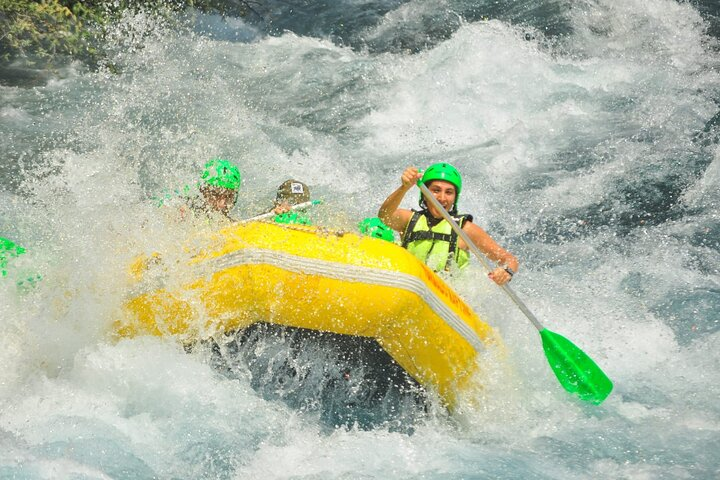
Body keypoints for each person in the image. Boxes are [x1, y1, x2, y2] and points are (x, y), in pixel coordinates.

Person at [378, 163, 518, 284]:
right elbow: (384, 216)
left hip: (447, 296)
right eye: (436, 190)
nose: (442, 198)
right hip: (411, 284)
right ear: (425, 194)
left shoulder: (464, 229)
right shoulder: (409, 219)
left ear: (454, 198)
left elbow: (509, 259)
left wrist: (506, 272)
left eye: (449, 192)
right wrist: (404, 187)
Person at [175, 159, 242, 221]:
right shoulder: (186, 210)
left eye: (229, 196)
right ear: (203, 191)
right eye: (216, 194)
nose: (222, 204)